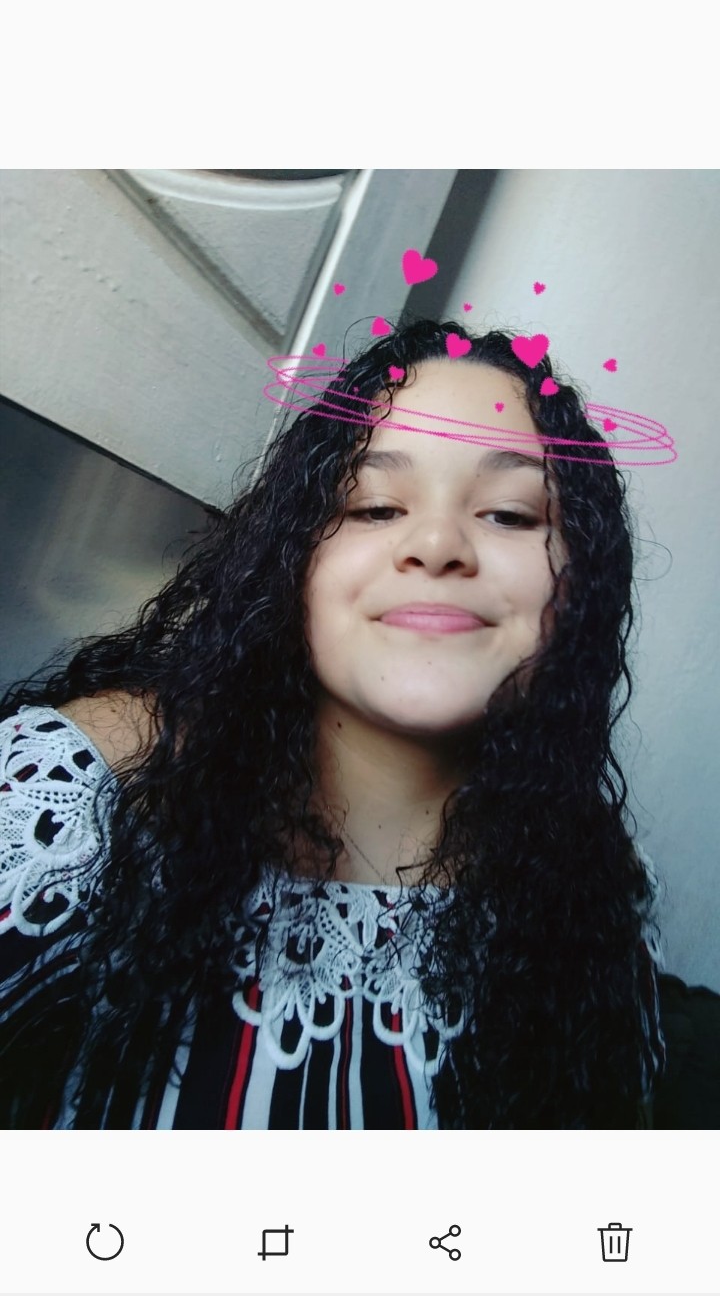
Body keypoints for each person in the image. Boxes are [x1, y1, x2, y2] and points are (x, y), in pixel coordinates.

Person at [0, 317, 670, 1130]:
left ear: (583, 587)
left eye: (510, 515)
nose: (436, 544)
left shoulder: (596, 891)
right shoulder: (72, 805)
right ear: (293, 562)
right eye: (374, 506)